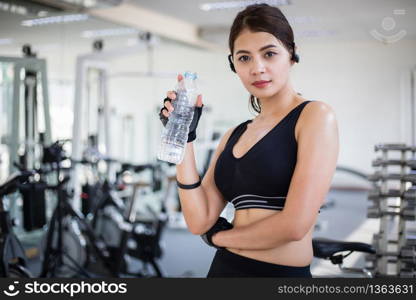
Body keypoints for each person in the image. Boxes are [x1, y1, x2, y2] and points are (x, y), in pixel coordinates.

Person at [158, 3, 339, 277]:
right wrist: (185, 139)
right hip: (224, 271)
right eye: (244, 58)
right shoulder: (234, 134)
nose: (257, 68)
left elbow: (295, 225)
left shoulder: (314, 116)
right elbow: (199, 220)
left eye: (269, 54)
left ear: (291, 54)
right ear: (234, 65)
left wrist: (218, 238)